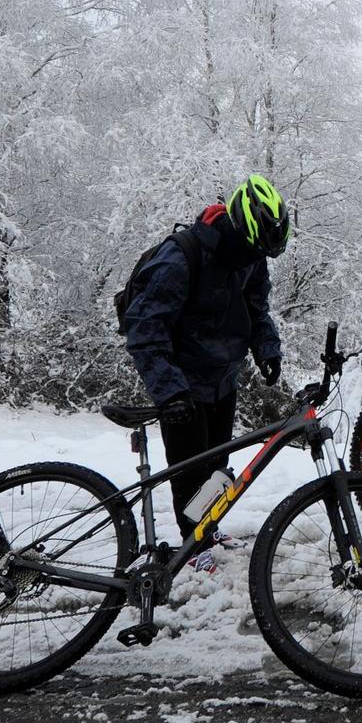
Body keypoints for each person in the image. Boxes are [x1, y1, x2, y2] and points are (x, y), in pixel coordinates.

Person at [121, 174, 288, 568]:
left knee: (216, 467)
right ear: (239, 229)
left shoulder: (252, 255)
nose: (256, 260)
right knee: (189, 470)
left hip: (223, 377)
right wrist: (169, 391)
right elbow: (145, 327)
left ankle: (206, 530)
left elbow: (255, 308)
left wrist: (268, 349)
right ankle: (190, 546)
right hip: (183, 382)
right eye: (253, 250)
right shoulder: (181, 258)